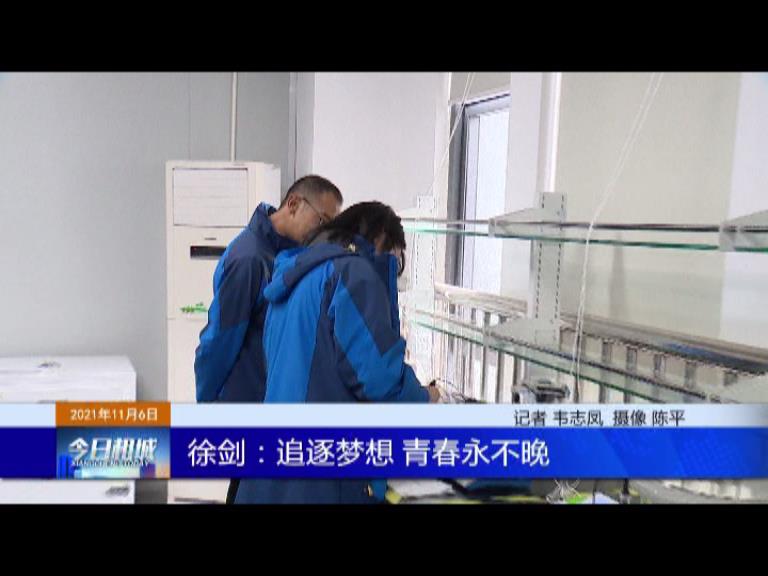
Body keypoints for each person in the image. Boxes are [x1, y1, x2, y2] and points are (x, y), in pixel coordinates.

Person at [234, 201, 440, 504]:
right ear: (381, 238)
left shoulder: (295, 274)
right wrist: (426, 397)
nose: (393, 271)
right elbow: (380, 382)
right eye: (394, 260)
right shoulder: (353, 274)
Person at [193, 174, 342, 503]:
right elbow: (220, 339)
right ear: (294, 204)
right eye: (323, 221)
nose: (325, 234)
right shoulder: (250, 258)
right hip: (246, 404)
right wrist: (206, 400)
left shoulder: (285, 256)